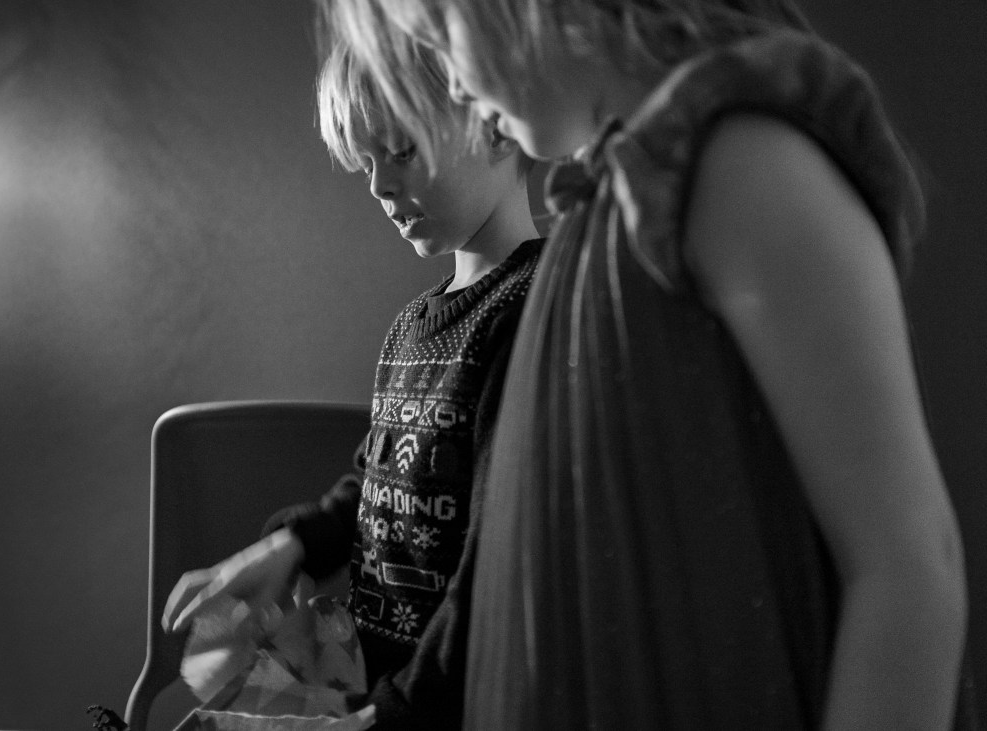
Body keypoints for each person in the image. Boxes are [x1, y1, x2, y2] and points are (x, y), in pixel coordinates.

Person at [328, 1, 977, 729]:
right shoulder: (612, 194)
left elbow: (907, 569)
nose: (449, 81)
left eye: (442, 36)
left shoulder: (739, 164)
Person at [161, 30, 544, 730]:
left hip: (441, 706)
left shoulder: (530, 314)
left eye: (401, 151)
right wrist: (296, 544)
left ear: (494, 124)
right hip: (373, 682)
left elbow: (499, 569)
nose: (379, 185)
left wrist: (386, 717)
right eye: (365, 162)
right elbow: (384, 479)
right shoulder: (410, 328)